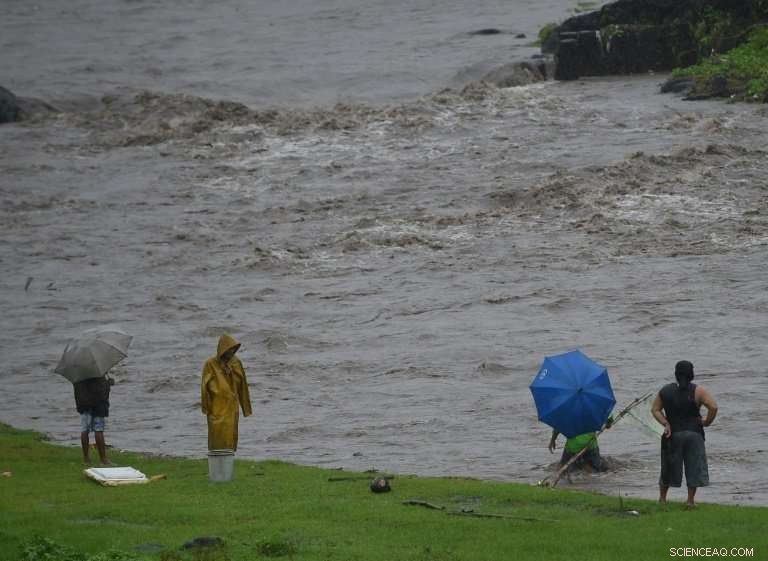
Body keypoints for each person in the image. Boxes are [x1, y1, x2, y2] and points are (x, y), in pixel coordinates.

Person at [651, 360, 718, 508]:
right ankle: (690, 501)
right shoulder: (698, 391)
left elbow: (655, 409)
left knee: (668, 467)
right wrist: (706, 422)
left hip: (672, 434)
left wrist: (665, 423)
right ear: (691, 374)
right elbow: (713, 406)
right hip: (694, 434)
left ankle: (662, 499)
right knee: (693, 467)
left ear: (676, 374)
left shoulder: (666, 391)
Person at [201, 334, 252, 451]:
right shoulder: (210, 364)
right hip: (216, 407)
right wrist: (206, 407)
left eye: (234, 349)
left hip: (232, 407)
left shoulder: (236, 363)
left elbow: (242, 386)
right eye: (230, 349)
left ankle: (228, 462)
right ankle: (216, 463)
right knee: (217, 437)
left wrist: (246, 408)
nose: (232, 352)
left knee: (230, 438)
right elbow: (204, 386)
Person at [73, 375, 113, 465]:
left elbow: (77, 391)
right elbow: (102, 392)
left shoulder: (77, 375)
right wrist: (108, 384)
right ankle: (103, 459)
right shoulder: (98, 374)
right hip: (97, 405)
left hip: (84, 405)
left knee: (84, 430)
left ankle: (86, 459)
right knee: (98, 430)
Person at [548, 416, 613, 472]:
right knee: (599, 468)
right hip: (591, 445)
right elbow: (608, 419)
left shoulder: (566, 412)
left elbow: (558, 427)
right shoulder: (593, 409)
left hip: (573, 448)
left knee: (564, 468)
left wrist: (552, 440)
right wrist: (608, 423)